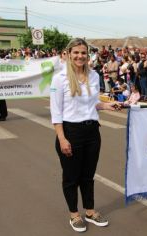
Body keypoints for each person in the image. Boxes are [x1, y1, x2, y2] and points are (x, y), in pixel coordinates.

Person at [50, 38, 119, 232]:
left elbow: (93, 103)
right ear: (69, 53)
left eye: (83, 53)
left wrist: (106, 105)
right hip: (71, 132)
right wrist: (62, 138)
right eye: (76, 53)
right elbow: (56, 113)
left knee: (88, 176)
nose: (80, 56)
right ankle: (74, 214)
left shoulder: (94, 76)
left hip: (92, 131)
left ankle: (90, 211)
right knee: (71, 176)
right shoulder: (60, 78)